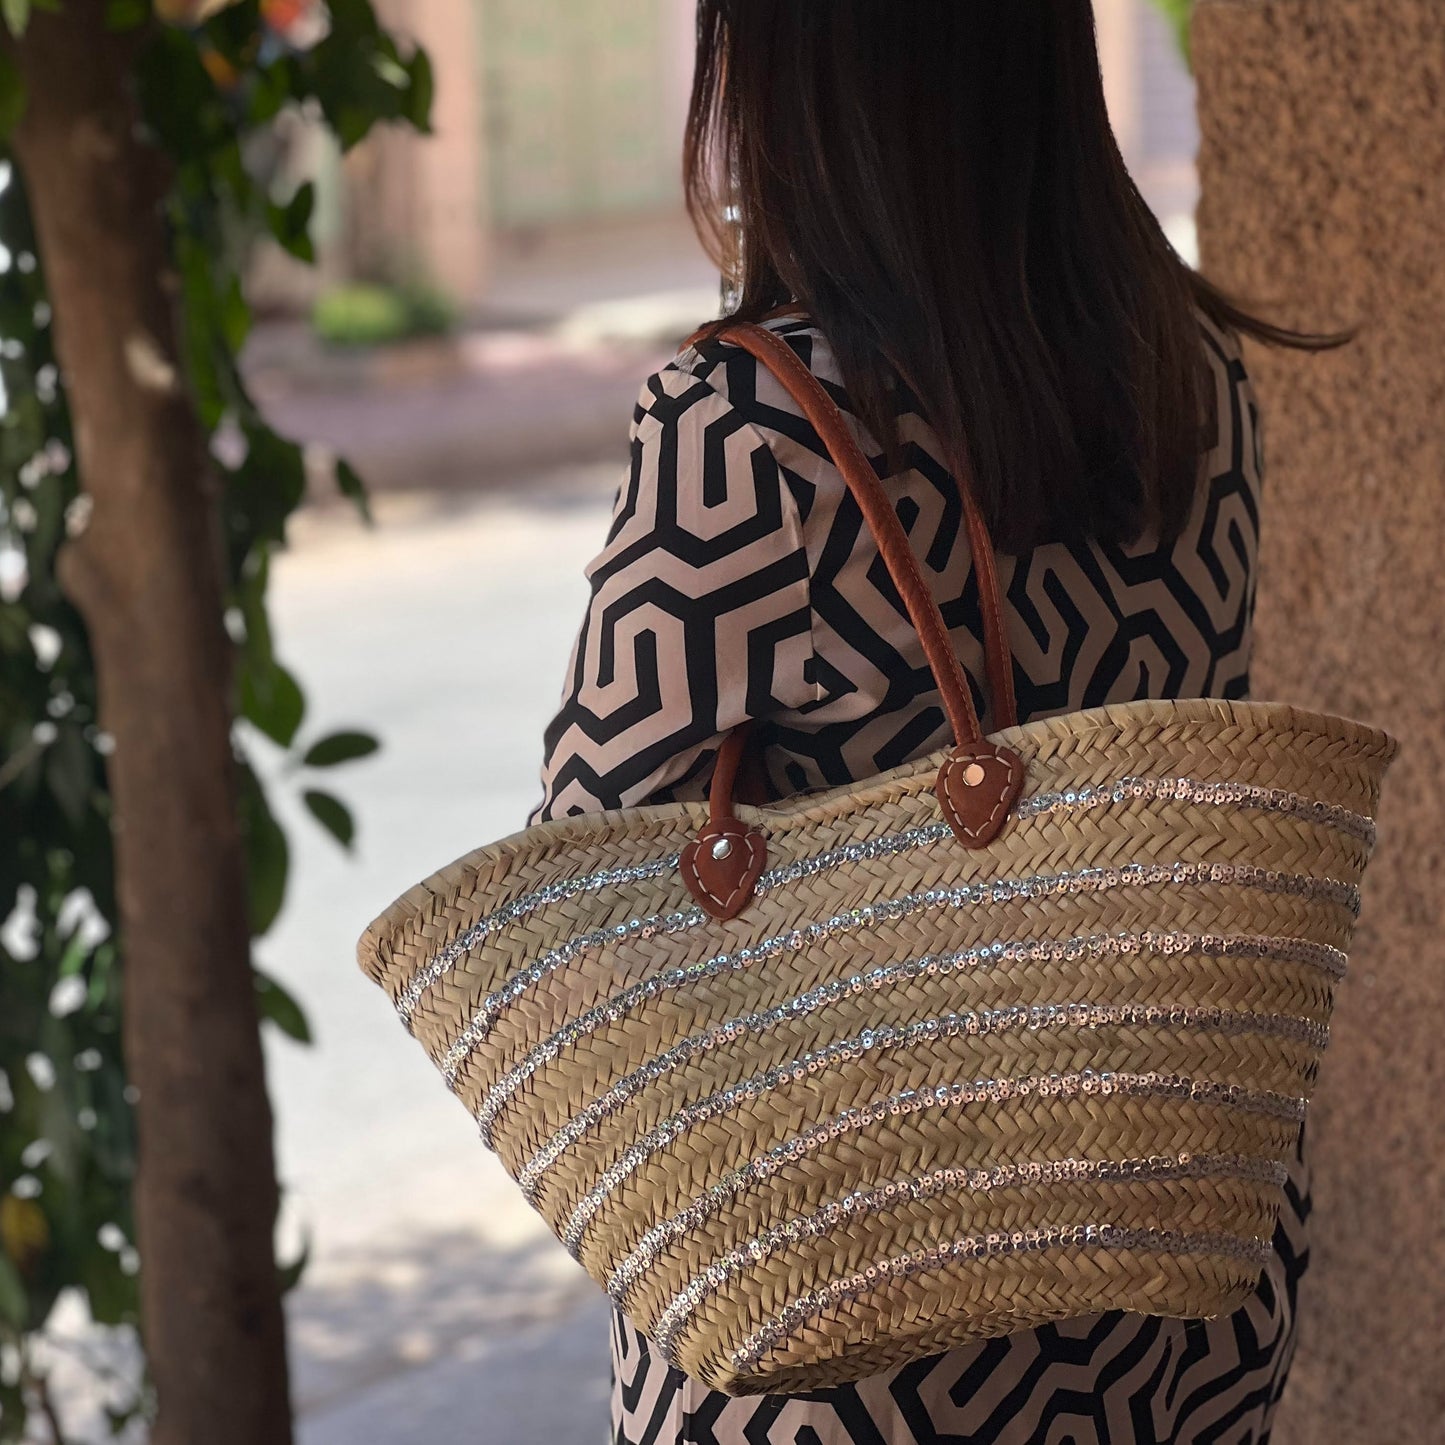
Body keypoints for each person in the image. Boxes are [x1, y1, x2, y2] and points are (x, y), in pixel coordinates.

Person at [533, 4, 1338, 1441]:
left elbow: (580, 908)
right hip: (1178, 1269)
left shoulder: (744, 429)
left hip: (866, 1348)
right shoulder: (1193, 376)